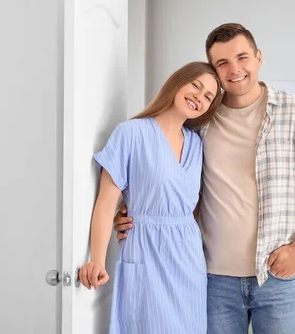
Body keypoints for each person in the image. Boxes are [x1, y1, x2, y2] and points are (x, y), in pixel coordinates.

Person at [114, 23, 295, 333]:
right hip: (211, 279)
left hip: (277, 278)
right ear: (214, 70)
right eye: (222, 63)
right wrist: (129, 209)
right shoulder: (198, 122)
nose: (235, 69)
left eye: (242, 57)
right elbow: (163, 173)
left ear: (258, 58)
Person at [79, 61, 221, 334]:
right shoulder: (131, 133)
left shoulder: (196, 144)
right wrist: (96, 259)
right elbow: (107, 202)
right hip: (146, 250)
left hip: (188, 257)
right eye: (196, 86)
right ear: (177, 81)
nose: (198, 98)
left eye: (208, 97)